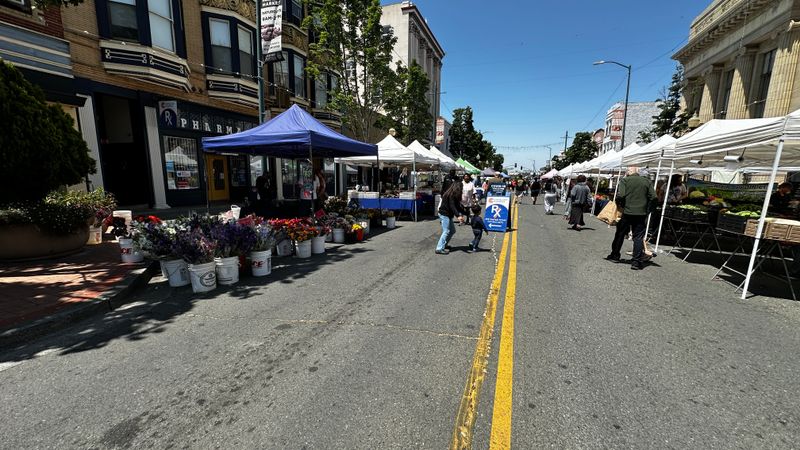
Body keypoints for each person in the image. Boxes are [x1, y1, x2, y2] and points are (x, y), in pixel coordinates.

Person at [606, 168, 657, 270]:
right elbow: (654, 197)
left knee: (620, 234)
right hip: (641, 213)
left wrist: (620, 205)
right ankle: (636, 261)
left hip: (627, 212)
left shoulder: (625, 180)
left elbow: (621, 195)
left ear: (628, 173)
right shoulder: (646, 181)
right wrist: (649, 209)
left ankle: (615, 255)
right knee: (638, 237)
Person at [436, 182, 466, 255]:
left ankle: (444, 245)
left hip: (448, 215)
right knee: (446, 231)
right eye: (461, 188)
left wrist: (465, 212)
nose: (462, 189)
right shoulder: (450, 195)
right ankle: (439, 248)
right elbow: (452, 206)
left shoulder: (453, 194)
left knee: (452, 231)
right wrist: (458, 216)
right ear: (457, 188)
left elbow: (457, 206)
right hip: (444, 214)